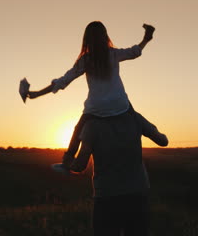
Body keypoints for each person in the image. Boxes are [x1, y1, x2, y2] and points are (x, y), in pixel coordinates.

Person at [26, 21, 167, 167]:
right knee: (136, 118)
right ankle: (160, 138)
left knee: (78, 130)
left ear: (86, 40)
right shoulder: (113, 54)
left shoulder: (85, 60)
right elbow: (135, 52)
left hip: (96, 109)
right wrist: (146, 39)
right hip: (120, 105)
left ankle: (67, 162)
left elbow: (62, 82)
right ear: (105, 36)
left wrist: (37, 93)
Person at [66, 109, 164, 236]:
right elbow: (163, 141)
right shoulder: (135, 118)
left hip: (107, 197)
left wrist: (68, 163)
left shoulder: (91, 125)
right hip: (137, 194)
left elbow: (80, 166)